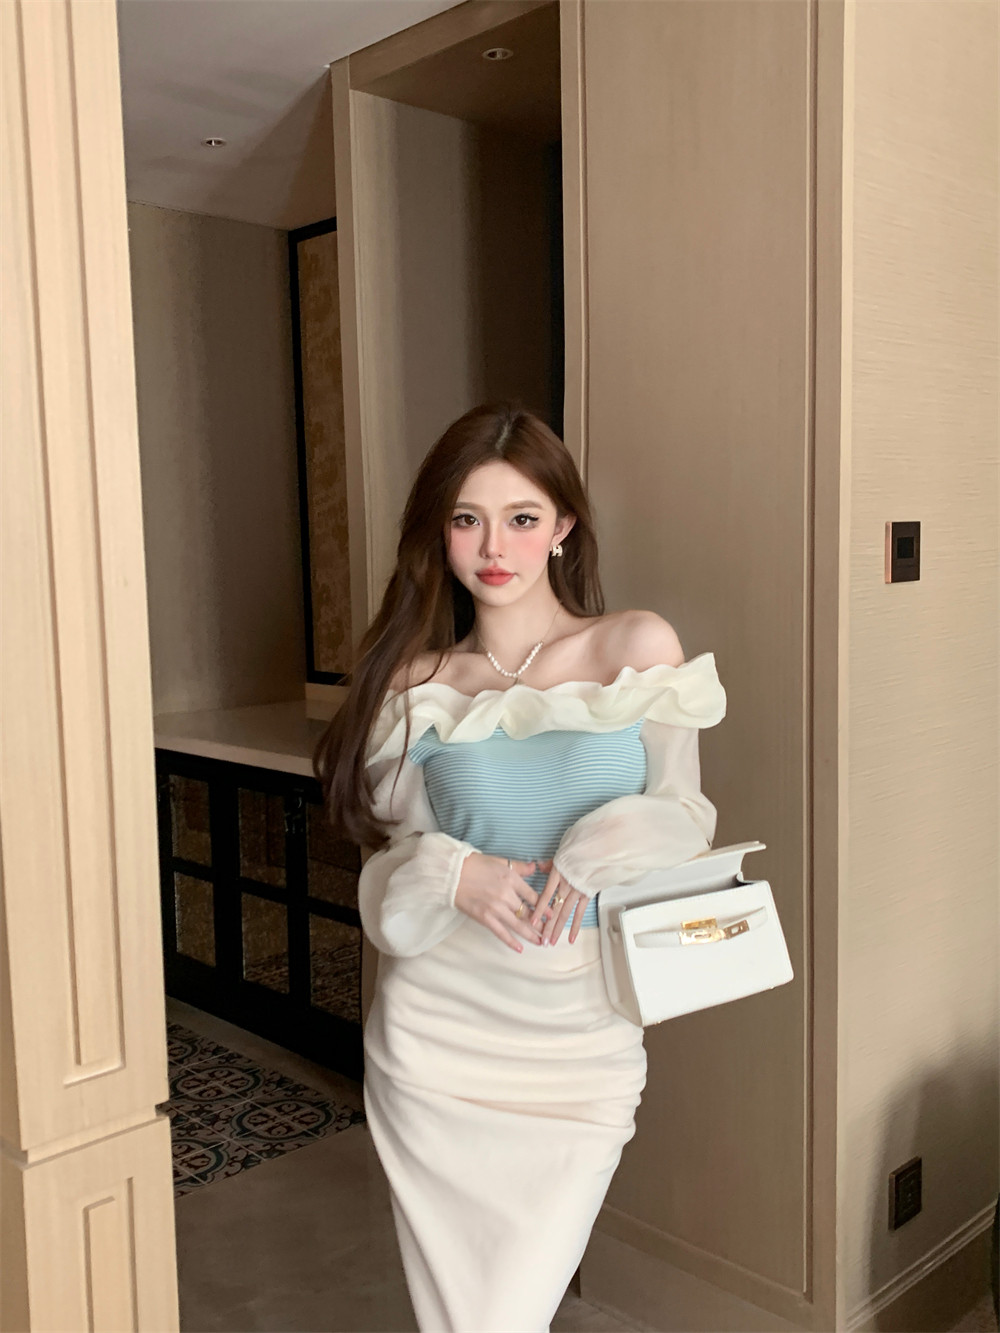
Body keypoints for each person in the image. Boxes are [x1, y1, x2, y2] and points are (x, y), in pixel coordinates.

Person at [313, 402, 727, 1332]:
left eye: (522, 517)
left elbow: (685, 816)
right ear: (440, 531)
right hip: (437, 1038)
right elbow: (394, 872)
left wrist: (589, 852)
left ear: (564, 525)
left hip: (578, 1043)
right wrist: (452, 874)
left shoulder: (634, 649)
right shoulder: (416, 683)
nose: (494, 546)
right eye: (468, 518)